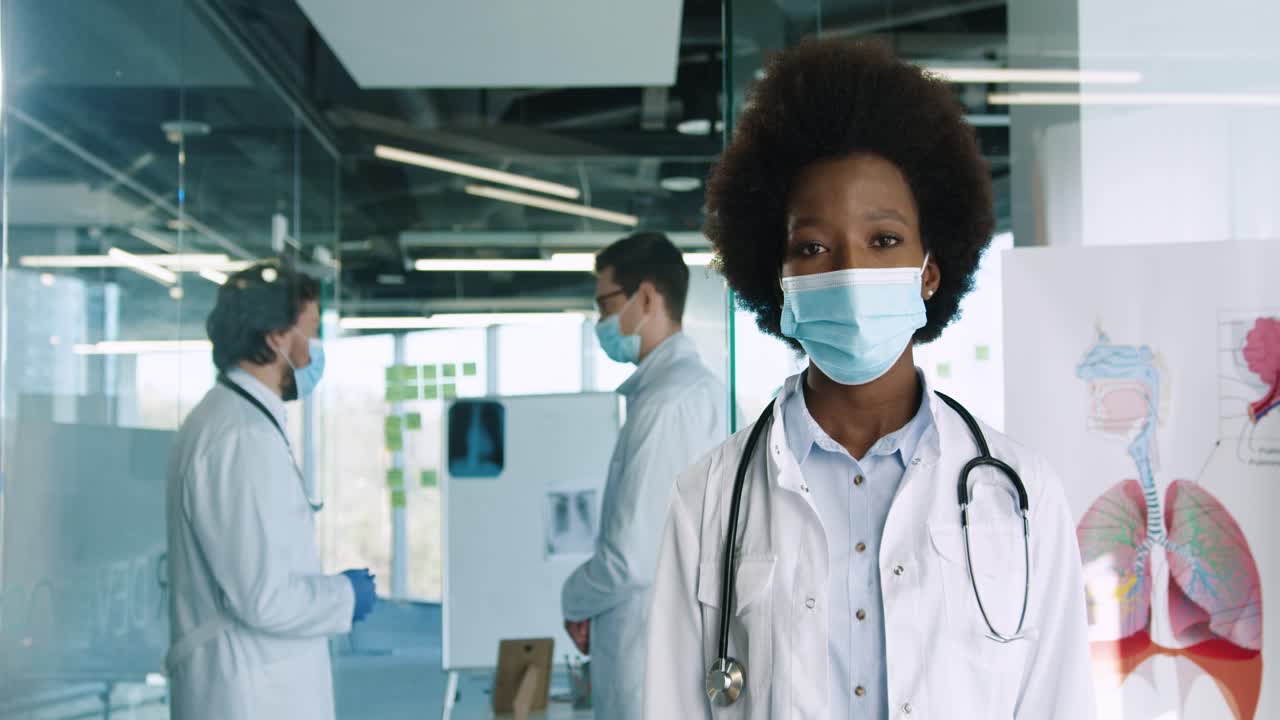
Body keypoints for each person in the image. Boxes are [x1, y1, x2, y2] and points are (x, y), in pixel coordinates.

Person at [644, 39, 1094, 719]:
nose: (850, 271)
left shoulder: (1022, 495)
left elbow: (1060, 703)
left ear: (931, 271)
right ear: (782, 282)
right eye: (813, 247)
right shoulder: (709, 499)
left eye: (883, 240)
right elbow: (674, 705)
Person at [165, 262, 377, 720]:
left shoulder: (235, 421)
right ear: (277, 337)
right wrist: (344, 595)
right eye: (311, 330)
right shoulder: (240, 436)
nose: (315, 349)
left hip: (252, 686)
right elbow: (264, 597)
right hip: (251, 694)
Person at [562, 232, 727, 720]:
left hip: (650, 672)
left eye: (605, 304)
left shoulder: (666, 403)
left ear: (648, 297)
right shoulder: (687, 392)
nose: (601, 322)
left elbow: (628, 560)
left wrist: (574, 598)